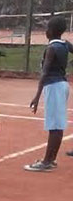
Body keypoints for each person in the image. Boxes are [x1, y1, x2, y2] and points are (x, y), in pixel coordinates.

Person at [25, 16, 72, 172]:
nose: (45, 31)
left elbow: (45, 73)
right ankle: (50, 159)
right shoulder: (64, 44)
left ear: (51, 31)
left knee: (55, 126)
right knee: (56, 125)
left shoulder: (52, 48)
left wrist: (37, 96)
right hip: (61, 85)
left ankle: (47, 162)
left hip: (54, 86)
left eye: (47, 28)